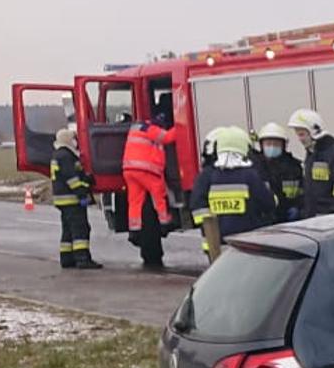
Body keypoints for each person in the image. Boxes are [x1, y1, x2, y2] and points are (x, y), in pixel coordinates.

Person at [189, 126, 277, 261]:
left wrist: (210, 225)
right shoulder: (250, 175)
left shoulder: (207, 176)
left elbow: (197, 207)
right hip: (247, 245)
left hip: (216, 246)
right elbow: (268, 204)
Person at [121, 111, 179, 270]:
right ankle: (164, 222)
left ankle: (135, 229)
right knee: (158, 196)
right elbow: (168, 138)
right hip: (147, 170)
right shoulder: (152, 129)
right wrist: (180, 126)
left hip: (129, 170)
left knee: (135, 202)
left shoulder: (136, 127)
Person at [48, 124, 101, 270]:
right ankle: (82, 259)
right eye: (73, 139)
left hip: (62, 199)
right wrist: (83, 192)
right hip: (71, 199)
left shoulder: (58, 154)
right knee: (80, 228)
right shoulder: (66, 156)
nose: (76, 142)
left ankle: (67, 258)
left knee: (68, 229)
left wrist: (86, 179)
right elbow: (72, 180)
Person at [289, 108, 334, 217]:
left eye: (301, 134)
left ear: (313, 131)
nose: (299, 139)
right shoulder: (313, 153)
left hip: (330, 218)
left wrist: (333, 216)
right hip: (315, 217)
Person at [253, 122, 304, 221]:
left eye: (276, 144)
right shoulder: (255, 167)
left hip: (289, 218)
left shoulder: (293, 167)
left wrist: (298, 208)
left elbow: (303, 192)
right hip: (264, 220)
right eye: (268, 144)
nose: (272, 147)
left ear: (283, 145)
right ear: (261, 145)